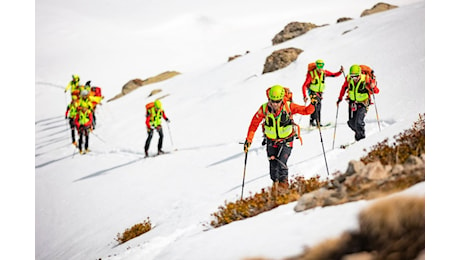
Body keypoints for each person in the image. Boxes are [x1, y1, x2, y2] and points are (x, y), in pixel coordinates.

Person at [244, 85, 316, 189]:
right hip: (271, 142)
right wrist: (248, 140)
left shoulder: (289, 106)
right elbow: (254, 124)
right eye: (272, 101)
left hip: (286, 141)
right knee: (273, 168)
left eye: (277, 101)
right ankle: (275, 190)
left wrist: (313, 104)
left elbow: (306, 111)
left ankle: (284, 191)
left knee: (281, 164)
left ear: (282, 99)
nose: (274, 104)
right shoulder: (264, 109)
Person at [336, 64, 380, 142]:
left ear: (360, 74)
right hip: (352, 103)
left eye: (356, 76)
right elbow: (343, 88)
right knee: (351, 123)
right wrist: (340, 98)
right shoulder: (349, 79)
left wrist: (373, 87)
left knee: (359, 122)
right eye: (352, 76)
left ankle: (361, 139)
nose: (354, 79)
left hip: (363, 104)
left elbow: (376, 91)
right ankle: (358, 135)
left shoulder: (366, 79)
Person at [301, 59, 343, 127]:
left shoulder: (324, 72)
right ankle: (316, 122)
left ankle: (314, 122)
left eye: (321, 66)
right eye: (318, 66)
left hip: (319, 93)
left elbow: (334, 75)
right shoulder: (311, 74)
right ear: (316, 66)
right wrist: (304, 96)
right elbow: (304, 85)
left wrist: (340, 72)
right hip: (312, 92)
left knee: (317, 106)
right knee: (316, 104)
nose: (320, 68)